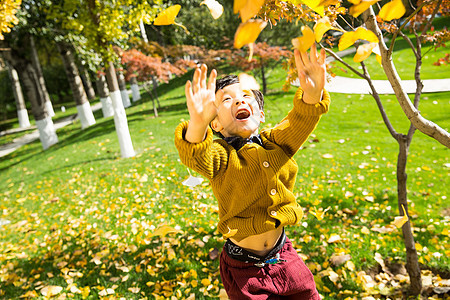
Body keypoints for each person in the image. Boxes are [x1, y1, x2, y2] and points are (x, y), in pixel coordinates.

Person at [174, 44, 330, 299]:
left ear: (261, 113)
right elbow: (195, 154)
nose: (239, 99)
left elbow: (302, 119)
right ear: (216, 123)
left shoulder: (277, 142)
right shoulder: (221, 157)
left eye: (247, 96)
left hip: (283, 257)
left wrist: (312, 94)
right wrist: (197, 124)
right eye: (226, 99)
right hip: (243, 268)